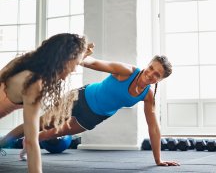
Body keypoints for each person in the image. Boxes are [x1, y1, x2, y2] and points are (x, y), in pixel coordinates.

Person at [1, 53, 180, 167]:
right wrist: (79, 57)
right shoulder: (127, 71)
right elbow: (96, 63)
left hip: (94, 117)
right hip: (80, 98)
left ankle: (28, 143)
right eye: (151, 68)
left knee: (52, 134)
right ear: (147, 64)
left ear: (160, 80)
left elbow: (154, 128)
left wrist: (158, 160)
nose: (151, 74)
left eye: (157, 74)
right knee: (39, 123)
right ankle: (2, 142)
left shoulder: (148, 96)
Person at [0, 33, 90, 173]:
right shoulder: (33, 84)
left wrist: (82, 53)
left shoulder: (24, 62)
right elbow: (30, 141)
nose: (75, 70)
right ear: (64, 59)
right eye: (76, 64)